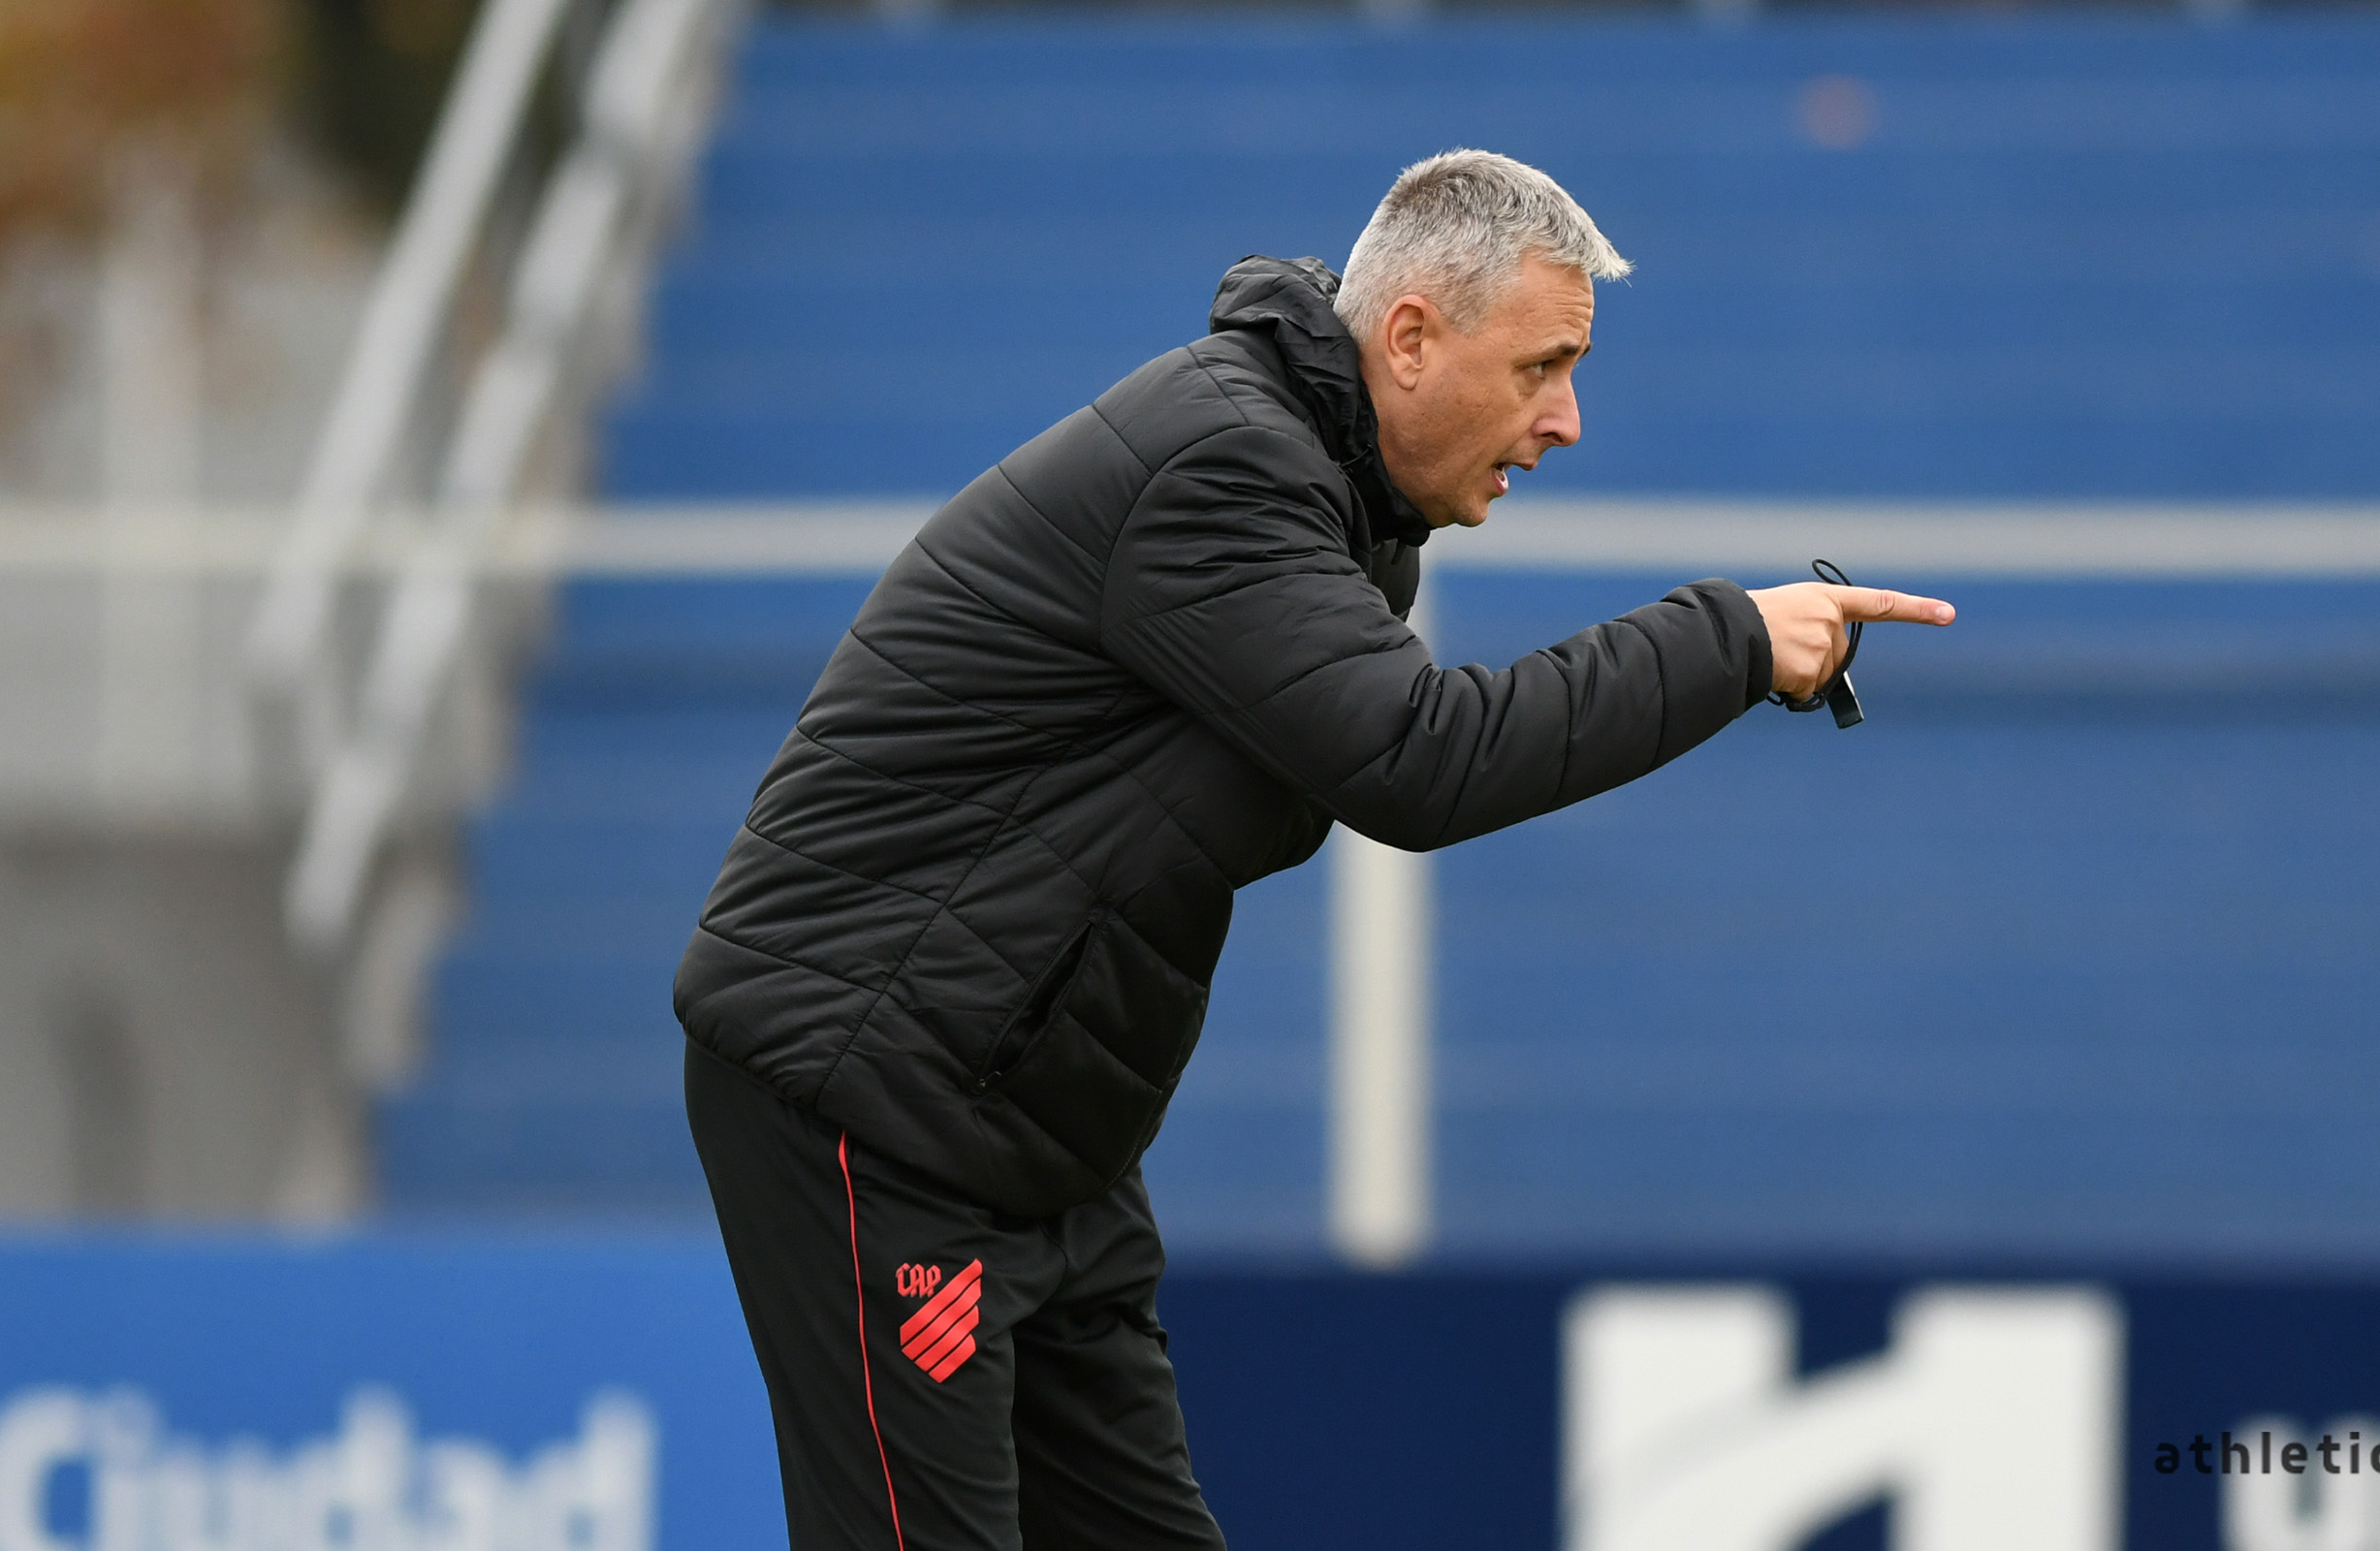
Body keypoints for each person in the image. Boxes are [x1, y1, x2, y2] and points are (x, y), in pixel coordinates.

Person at [677, 148, 1955, 1551]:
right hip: (880, 1094)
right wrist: (1728, 641)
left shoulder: (1337, 494)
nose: (1568, 420)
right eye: (1540, 368)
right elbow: (1419, 761)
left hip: (1038, 1128)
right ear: (1408, 338)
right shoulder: (1226, 465)